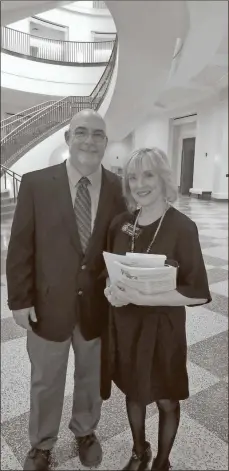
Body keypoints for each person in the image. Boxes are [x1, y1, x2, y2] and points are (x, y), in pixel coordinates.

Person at [6, 109, 126, 471]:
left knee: (91, 376)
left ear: (106, 142)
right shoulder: (35, 183)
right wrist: (20, 300)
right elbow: (21, 246)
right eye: (82, 132)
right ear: (68, 138)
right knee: (46, 380)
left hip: (97, 307)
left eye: (98, 134)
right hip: (46, 304)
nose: (90, 140)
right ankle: (41, 445)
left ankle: (85, 431)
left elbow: (122, 244)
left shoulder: (119, 188)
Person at [103, 147, 211, 471]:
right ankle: (140, 451)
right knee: (134, 393)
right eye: (132, 177)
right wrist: (111, 290)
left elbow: (198, 292)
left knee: (165, 397)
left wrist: (150, 297)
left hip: (163, 329)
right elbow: (111, 269)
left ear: (163, 177)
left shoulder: (182, 227)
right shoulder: (121, 224)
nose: (139, 183)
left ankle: (162, 461)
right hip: (127, 326)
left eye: (148, 174)